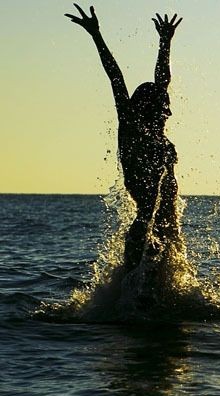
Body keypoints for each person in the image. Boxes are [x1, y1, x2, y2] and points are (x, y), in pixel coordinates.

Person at [66, 4, 183, 286]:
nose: (168, 113)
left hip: (168, 230)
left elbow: (162, 81)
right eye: (163, 108)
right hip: (144, 231)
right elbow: (115, 77)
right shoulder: (132, 130)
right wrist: (96, 35)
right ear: (149, 109)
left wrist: (164, 42)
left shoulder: (155, 133)